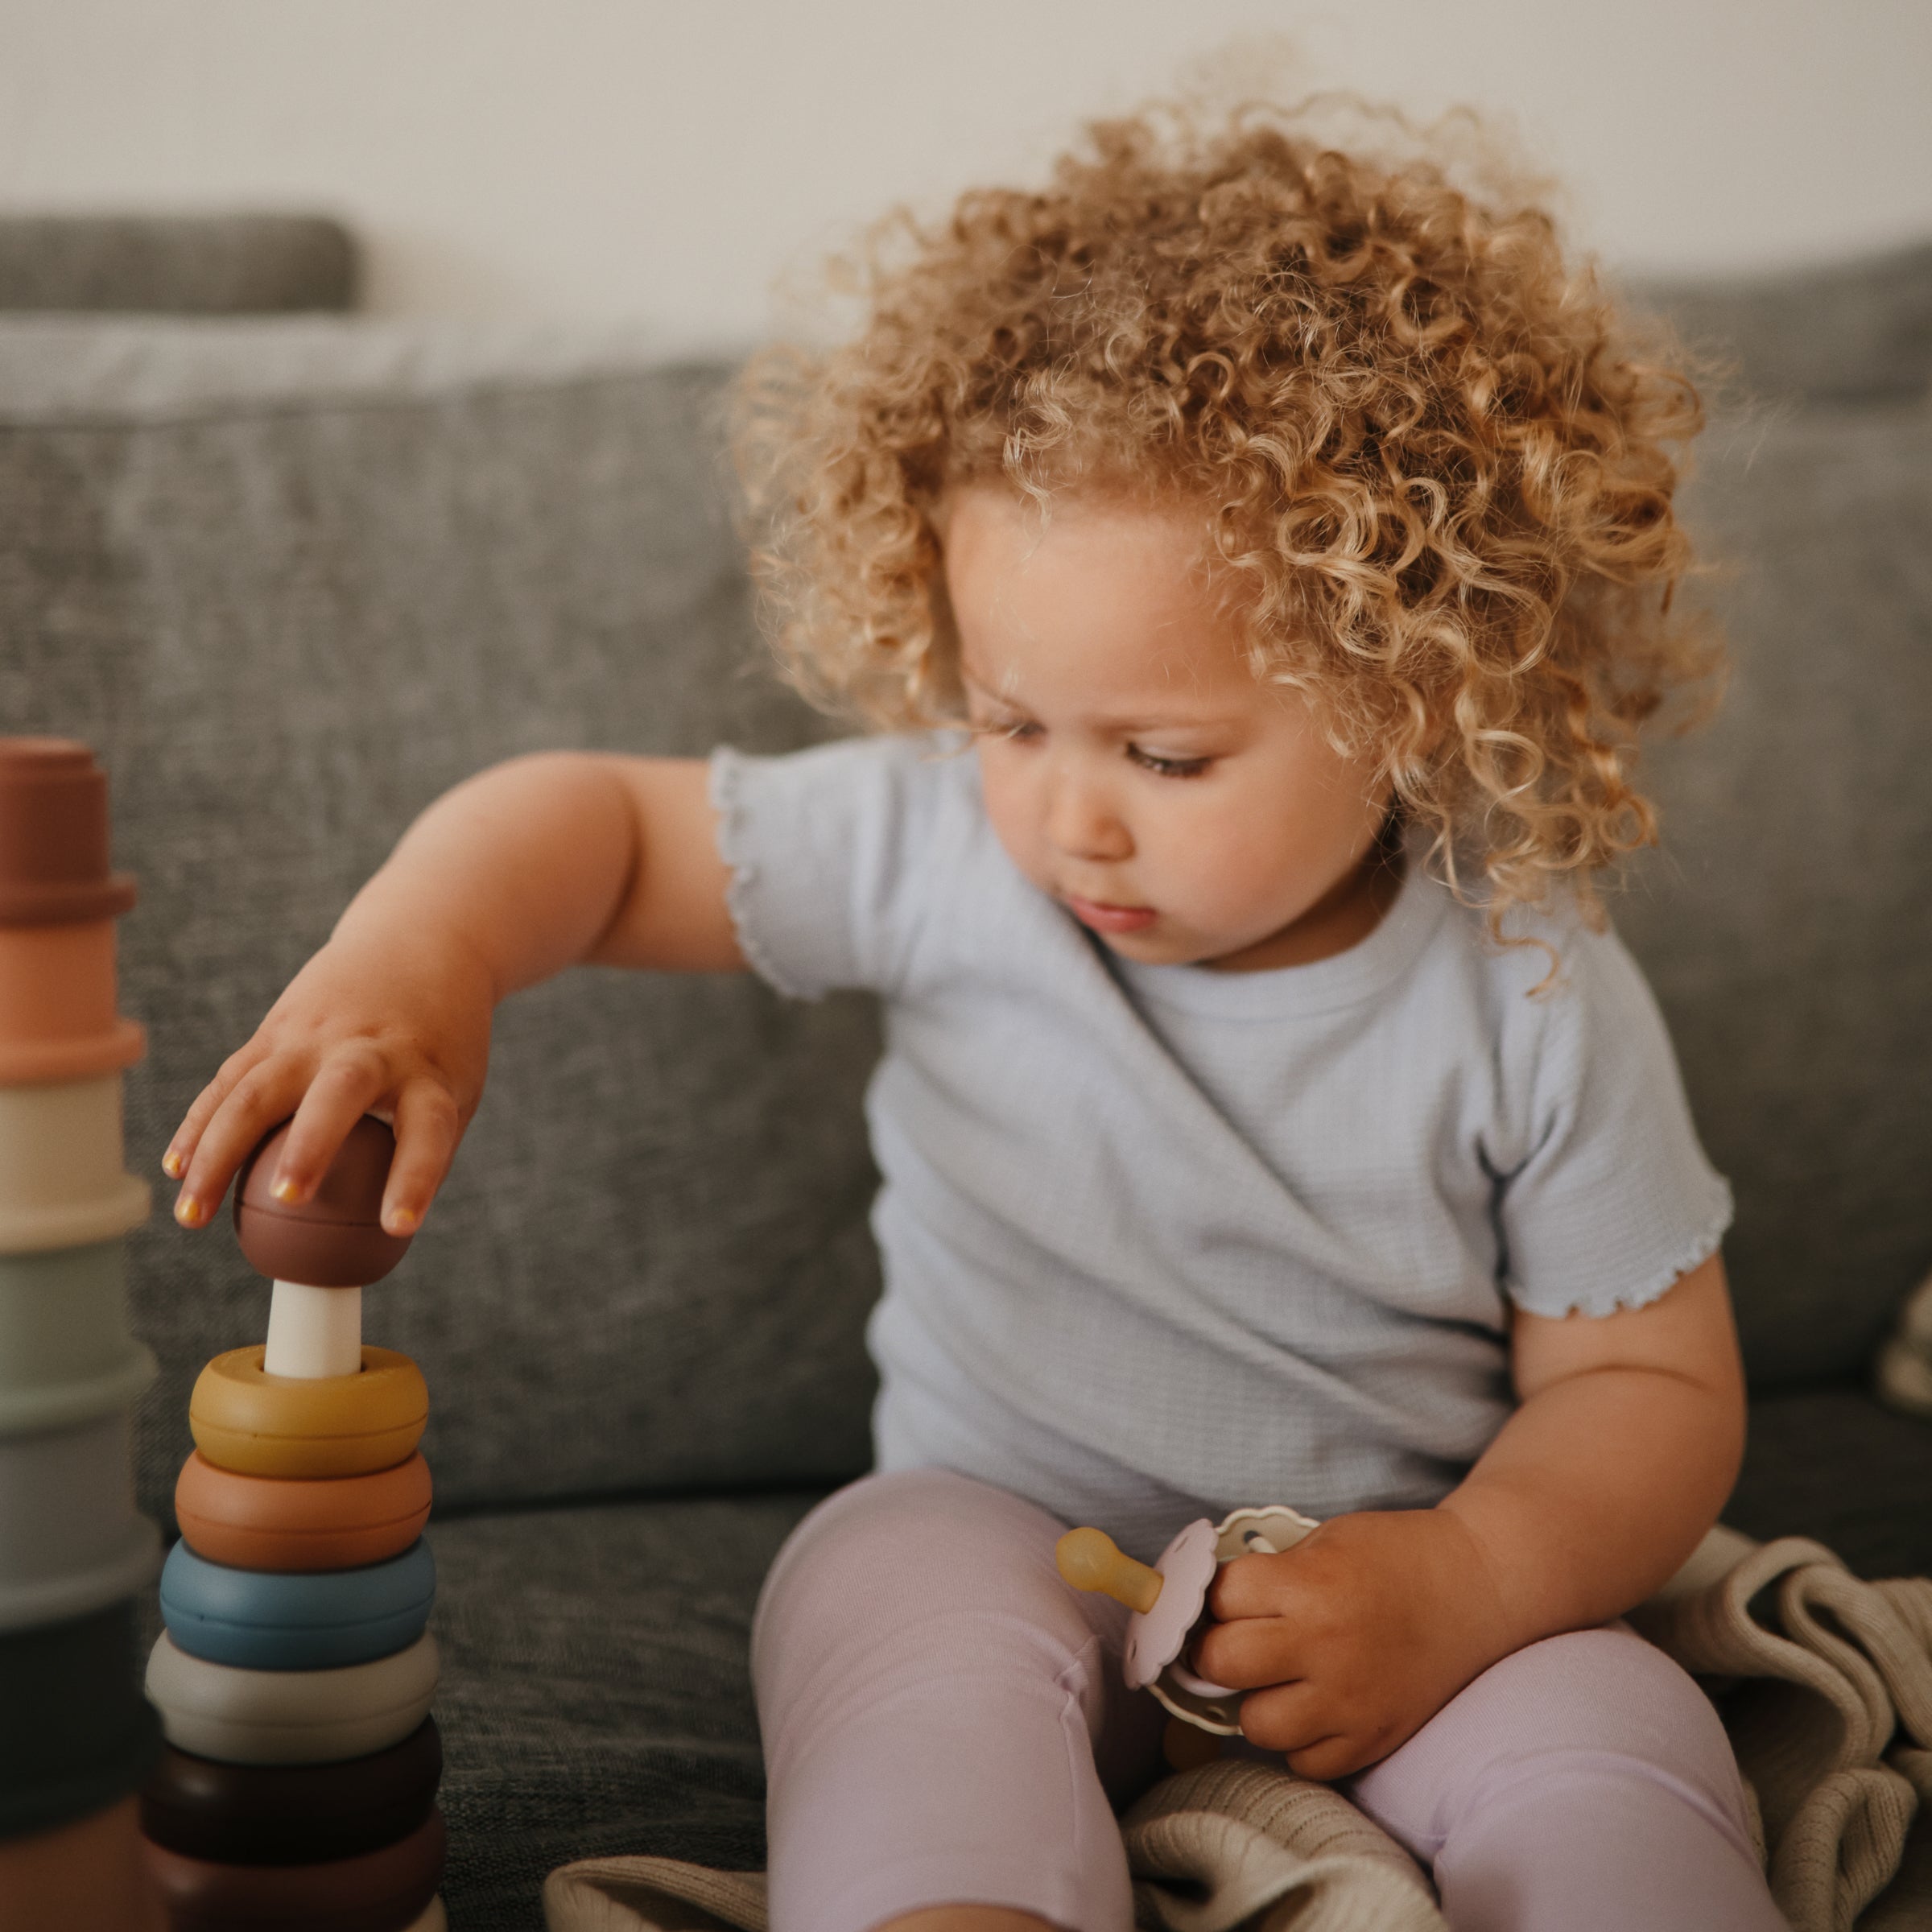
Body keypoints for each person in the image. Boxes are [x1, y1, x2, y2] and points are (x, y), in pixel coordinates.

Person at [162, 96, 1789, 1932]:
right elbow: (601, 833)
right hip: (999, 1521)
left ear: (1417, 683)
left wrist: (1473, 1579)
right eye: (1013, 719)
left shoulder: (1532, 976)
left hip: (1403, 1589)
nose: (1067, 814)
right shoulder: (942, 847)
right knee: (894, 1623)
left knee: (1621, 1736)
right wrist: (420, 957)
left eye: (1165, 754)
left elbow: (1649, 1387)